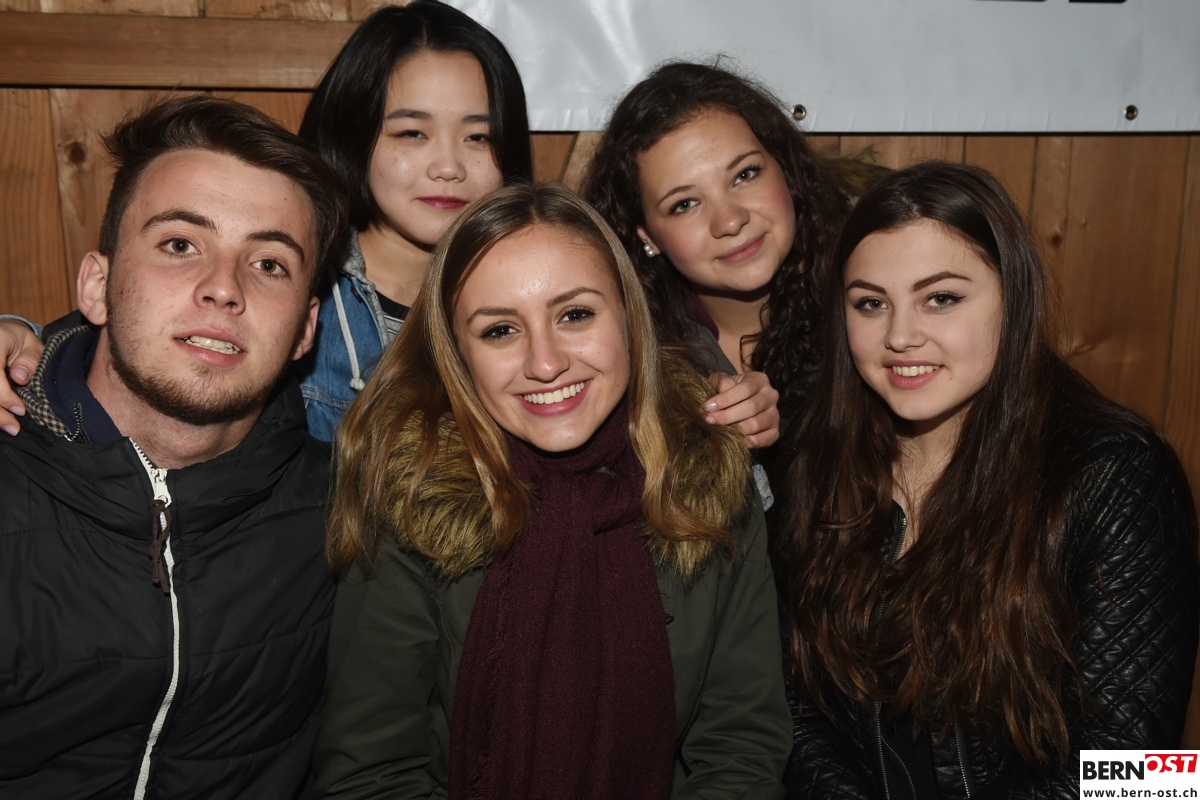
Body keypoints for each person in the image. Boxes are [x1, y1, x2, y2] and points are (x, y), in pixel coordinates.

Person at [311, 182, 791, 799]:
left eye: (575, 315)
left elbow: (741, 748)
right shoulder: (412, 495)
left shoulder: (707, 475)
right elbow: (371, 773)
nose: (545, 363)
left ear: (629, 317)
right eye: (499, 330)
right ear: (457, 355)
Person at [778, 161, 1199, 798]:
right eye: (871, 303)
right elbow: (794, 703)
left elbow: (1140, 771)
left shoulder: (1117, 472)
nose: (900, 336)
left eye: (941, 298)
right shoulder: (817, 462)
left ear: (1013, 297)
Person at [0, 95, 349, 798]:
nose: (223, 289)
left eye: (269, 263)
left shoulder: (347, 515)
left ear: (307, 330)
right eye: (180, 245)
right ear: (97, 285)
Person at [583, 61, 856, 454]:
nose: (729, 221)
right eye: (685, 204)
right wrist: (693, 422)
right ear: (647, 236)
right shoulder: (623, 355)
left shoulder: (871, 303)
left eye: (744, 175)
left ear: (786, 169)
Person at [293, 0, 532, 441]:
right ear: (354, 136)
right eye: (413, 133)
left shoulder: (533, 291)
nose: (449, 167)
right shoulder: (293, 289)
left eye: (478, 137)